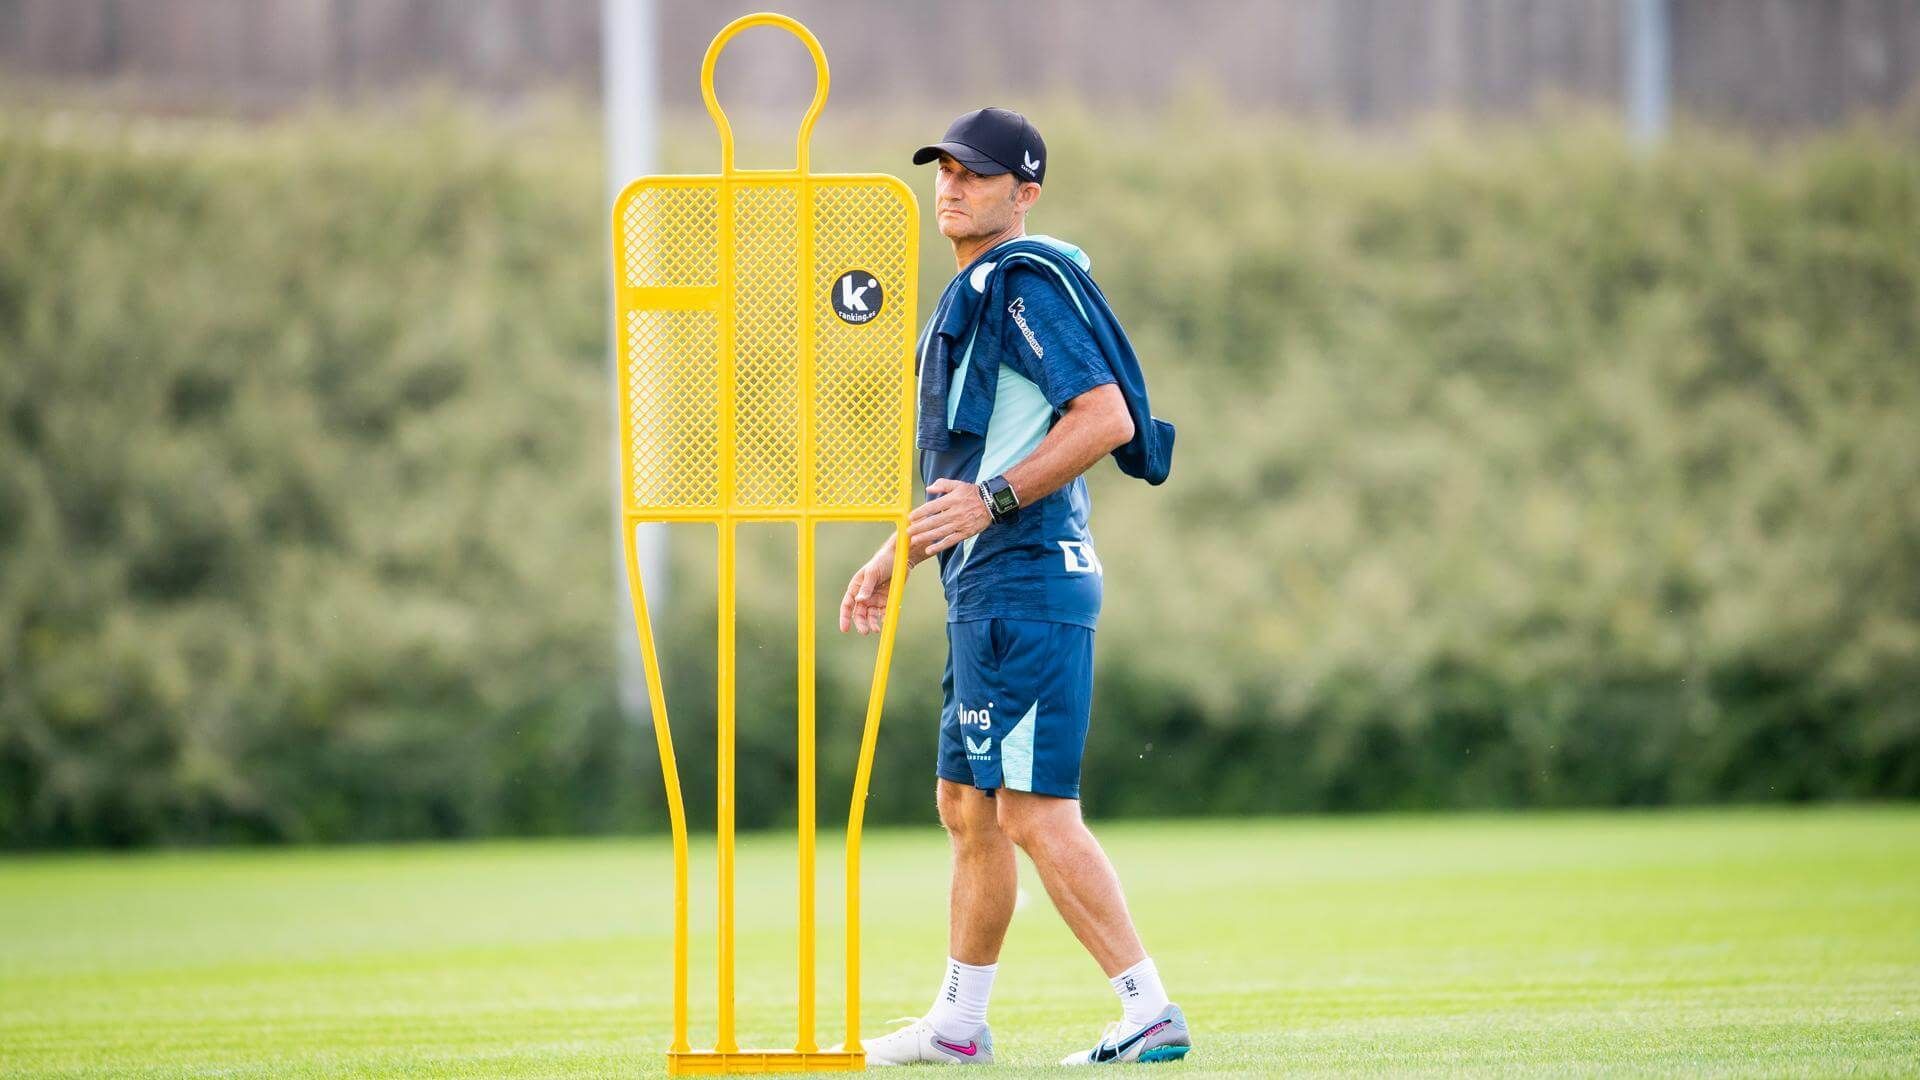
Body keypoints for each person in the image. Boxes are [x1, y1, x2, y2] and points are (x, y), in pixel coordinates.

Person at [835, 107, 1187, 1067]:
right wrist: (893, 554)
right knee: (968, 806)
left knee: (1031, 811)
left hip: (1026, 585)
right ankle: (957, 1023)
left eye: (976, 174)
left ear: (1024, 192)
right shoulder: (975, 291)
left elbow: (1104, 418)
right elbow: (976, 464)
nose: (950, 186)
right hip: (986, 587)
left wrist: (991, 504)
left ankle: (1147, 1007)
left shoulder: (1022, 285)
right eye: (943, 169)